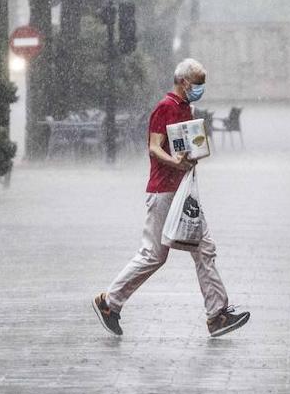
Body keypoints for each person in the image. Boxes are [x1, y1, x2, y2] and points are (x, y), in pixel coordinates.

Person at [92, 58, 250, 338]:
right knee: (155, 254)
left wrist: (192, 155)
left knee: (203, 249)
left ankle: (217, 314)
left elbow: (184, 145)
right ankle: (109, 302)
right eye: (197, 83)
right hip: (164, 190)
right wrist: (176, 163)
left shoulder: (186, 108)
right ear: (184, 81)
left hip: (182, 189)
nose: (200, 89)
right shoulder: (164, 108)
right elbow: (154, 148)